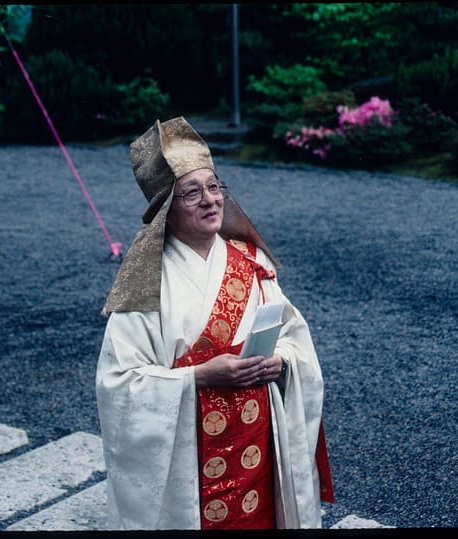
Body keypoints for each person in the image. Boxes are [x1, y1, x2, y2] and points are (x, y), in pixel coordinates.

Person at [96, 116, 333, 530]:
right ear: (167, 210)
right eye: (191, 192)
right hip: (189, 458)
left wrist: (281, 362)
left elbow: (293, 335)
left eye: (214, 186)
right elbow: (119, 383)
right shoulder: (146, 284)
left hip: (257, 443)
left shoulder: (250, 260)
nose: (210, 200)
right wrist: (199, 377)